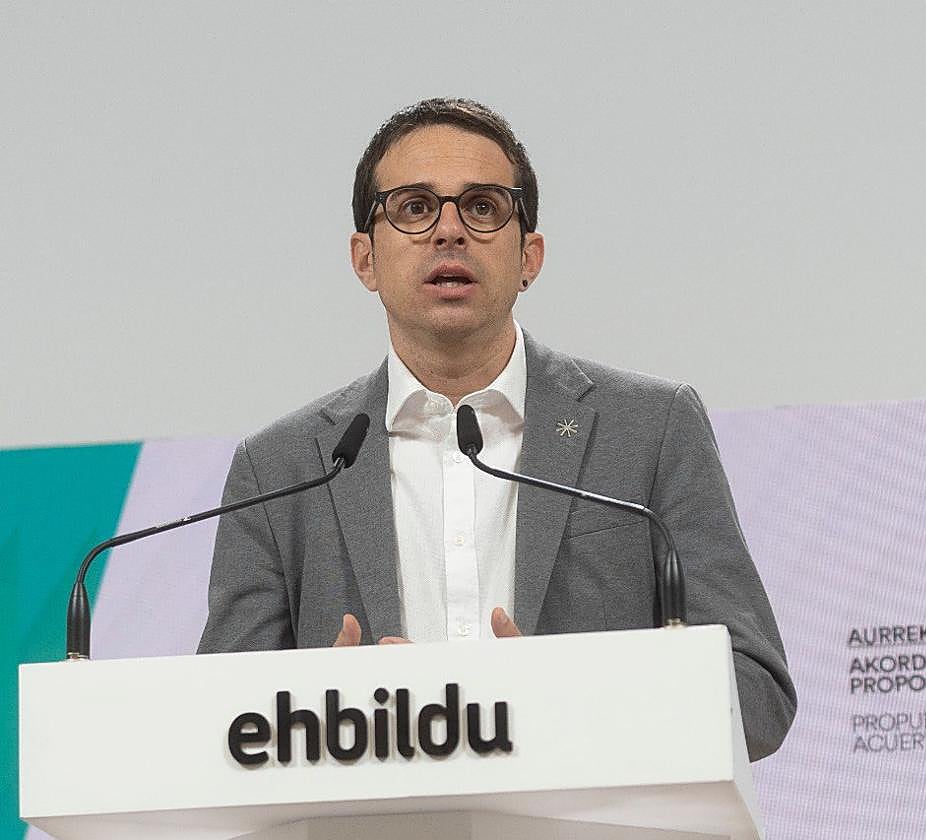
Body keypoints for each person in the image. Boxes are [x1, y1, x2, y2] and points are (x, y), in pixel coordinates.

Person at [198, 98, 796, 760]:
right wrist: (322, 711)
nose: (449, 232)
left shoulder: (652, 430)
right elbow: (218, 722)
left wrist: (566, 706)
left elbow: (757, 692)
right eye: (414, 207)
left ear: (529, 256)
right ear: (364, 259)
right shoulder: (282, 469)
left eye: (482, 207)